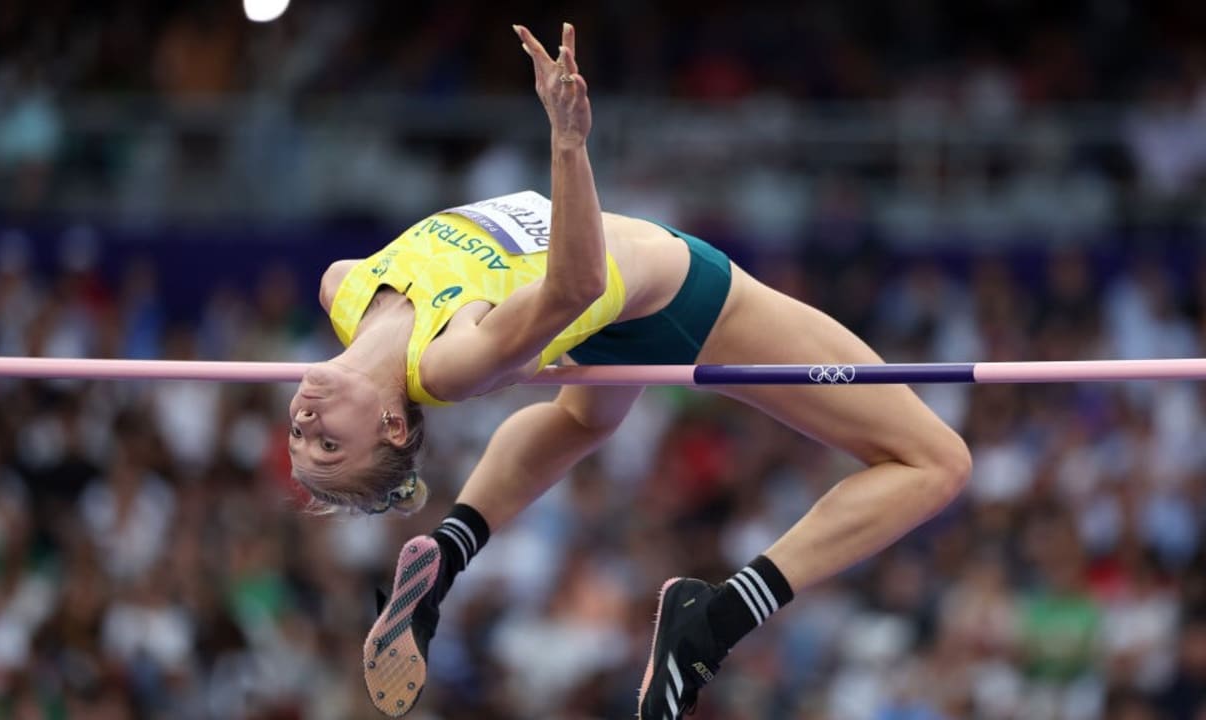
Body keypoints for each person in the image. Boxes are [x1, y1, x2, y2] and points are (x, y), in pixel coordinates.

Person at [288, 23, 971, 720]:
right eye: (331, 446)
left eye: (304, 442)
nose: (306, 426)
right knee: (934, 462)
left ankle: (448, 555)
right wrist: (567, 140)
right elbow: (575, 285)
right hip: (680, 301)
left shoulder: (341, 288)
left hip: (617, 319)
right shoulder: (449, 361)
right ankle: (714, 621)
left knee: (584, 416)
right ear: (393, 422)